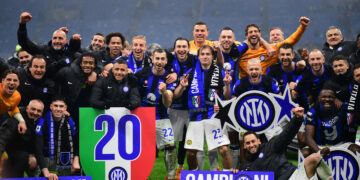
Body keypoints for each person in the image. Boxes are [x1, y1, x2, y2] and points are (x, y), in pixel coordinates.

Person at [174, 45, 233, 171]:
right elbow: (176, 94)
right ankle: (194, 175)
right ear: (199, 56)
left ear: (213, 56)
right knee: (190, 152)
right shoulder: (190, 73)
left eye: (208, 54)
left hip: (215, 116)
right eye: (202, 54)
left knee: (223, 149)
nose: (205, 56)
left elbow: (227, 97)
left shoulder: (220, 71)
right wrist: (182, 86)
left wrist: (227, 85)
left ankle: (228, 176)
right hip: (196, 117)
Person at [238, 106, 332, 180]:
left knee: (315, 158)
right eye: (248, 143)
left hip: (294, 176)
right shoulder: (245, 166)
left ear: (259, 141)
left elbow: (286, 134)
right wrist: (233, 172)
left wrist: (297, 118)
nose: (251, 145)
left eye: (253, 141)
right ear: (244, 146)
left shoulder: (271, 146)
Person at [135, 48, 177, 179]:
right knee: (141, 150)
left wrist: (164, 91)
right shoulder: (141, 74)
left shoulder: (170, 77)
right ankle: (141, 176)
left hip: (162, 117)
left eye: (162, 59)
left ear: (166, 61)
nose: (159, 61)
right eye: (157, 58)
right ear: (152, 59)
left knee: (170, 146)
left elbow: (168, 103)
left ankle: (171, 176)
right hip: (142, 117)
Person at [0, 99, 58, 179]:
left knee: (32, 160)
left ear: (42, 113)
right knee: (21, 157)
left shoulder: (40, 123)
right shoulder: (15, 118)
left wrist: (46, 172)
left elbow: (38, 147)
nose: (35, 113)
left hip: (27, 154)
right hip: (8, 153)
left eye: (39, 111)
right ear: (27, 108)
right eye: (33, 109)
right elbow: (2, 139)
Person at [238, 16, 310, 78]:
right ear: (246, 36)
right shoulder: (240, 51)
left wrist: (302, 27)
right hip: (245, 87)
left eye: (256, 31)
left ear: (260, 34)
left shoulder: (272, 49)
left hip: (264, 85)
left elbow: (291, 41)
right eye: (250, 32)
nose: (253, 34)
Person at [17, 12, 81, 78]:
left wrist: (75, 41)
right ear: (51, 39)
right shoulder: (43, 50)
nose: (57, 41)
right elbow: (24, 43)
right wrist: (22, 24)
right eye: (55, 38)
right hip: (47, 87)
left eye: (60, 38)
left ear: (66, 41)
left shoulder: (71, 53)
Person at [35, 97, 80, 175]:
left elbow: (76, 141)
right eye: (55, 106)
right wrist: (45, 169)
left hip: (64, 157)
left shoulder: (70, 121)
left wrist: (76, 158)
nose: (58, 109)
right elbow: (38, 147)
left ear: (65, 108)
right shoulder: (42, 121)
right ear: (51, 107)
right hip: (46, 156)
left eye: (61, 106)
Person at [305, 88, 353, 154]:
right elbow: (308, 138)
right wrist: (320, 153)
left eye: (330, 97)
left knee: (356, 149)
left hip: (340, 145)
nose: (327, 99)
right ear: (319, 98)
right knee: (304, 153)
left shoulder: (342, 108)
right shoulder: (313, 111)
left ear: (335, 99)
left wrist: (344, 106)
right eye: (324, 97)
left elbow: (355, 111)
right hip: (320, 146)